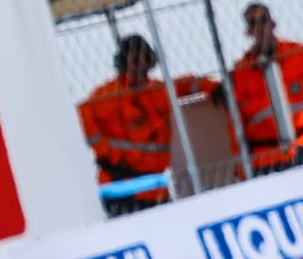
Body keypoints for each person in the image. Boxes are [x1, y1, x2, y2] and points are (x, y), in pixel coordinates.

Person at [76, 35, 217, 211]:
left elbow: (189, 84)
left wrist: (214, 88)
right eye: (135, 60)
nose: (141, 66)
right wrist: (108, 153)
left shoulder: (157, 89)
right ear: (124, 62)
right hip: (123, 187)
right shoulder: (109, 95)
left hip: (156, 186)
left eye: (145, 59)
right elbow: (81, 116)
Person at [230, 3, 303, 173]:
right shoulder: (241, 72)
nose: (259, 27)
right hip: (266, 159)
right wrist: (242, 166)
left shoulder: (301, 55)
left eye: (263, 20)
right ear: (248, 31)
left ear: (273, 23)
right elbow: (235, 123)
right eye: (253, 23)